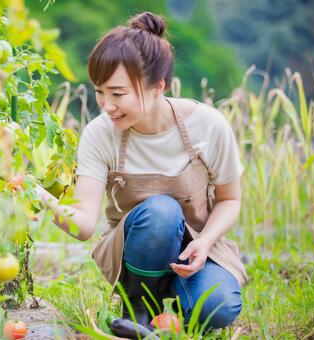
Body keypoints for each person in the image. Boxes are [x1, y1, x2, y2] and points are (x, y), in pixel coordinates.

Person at [34, 11, 248, 337]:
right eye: (99, 92)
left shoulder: (207, 125)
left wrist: (204, 242)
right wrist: (37, 196)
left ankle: (171, 323)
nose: (106, 105)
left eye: (118, 94)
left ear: (157, 87)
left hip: (198, 248)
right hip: (135, 254)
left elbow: (230, 200)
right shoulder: (100, 134)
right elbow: (84, 225)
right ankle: (138, 308)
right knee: (161, 210)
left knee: (218, 306)